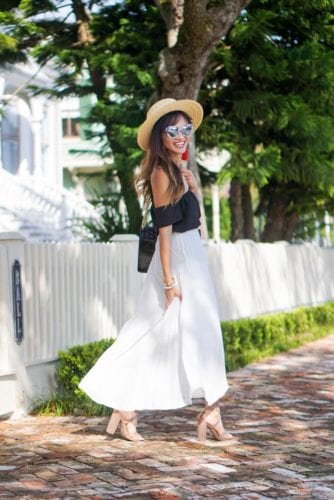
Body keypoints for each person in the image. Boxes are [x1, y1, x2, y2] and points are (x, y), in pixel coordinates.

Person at [79, 98, 232, 443]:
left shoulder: (180, 172)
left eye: (185, 129)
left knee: (198, 334)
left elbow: (197, 226)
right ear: (160, 136)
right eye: (172, 130)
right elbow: (165, 230)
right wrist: (168, 281)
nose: (181, 136)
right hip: (177, 261)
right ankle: (128, 404)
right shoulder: (161, 172)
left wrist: (194, 190)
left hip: (193, 256)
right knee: (152, 332)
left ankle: (208, 410)